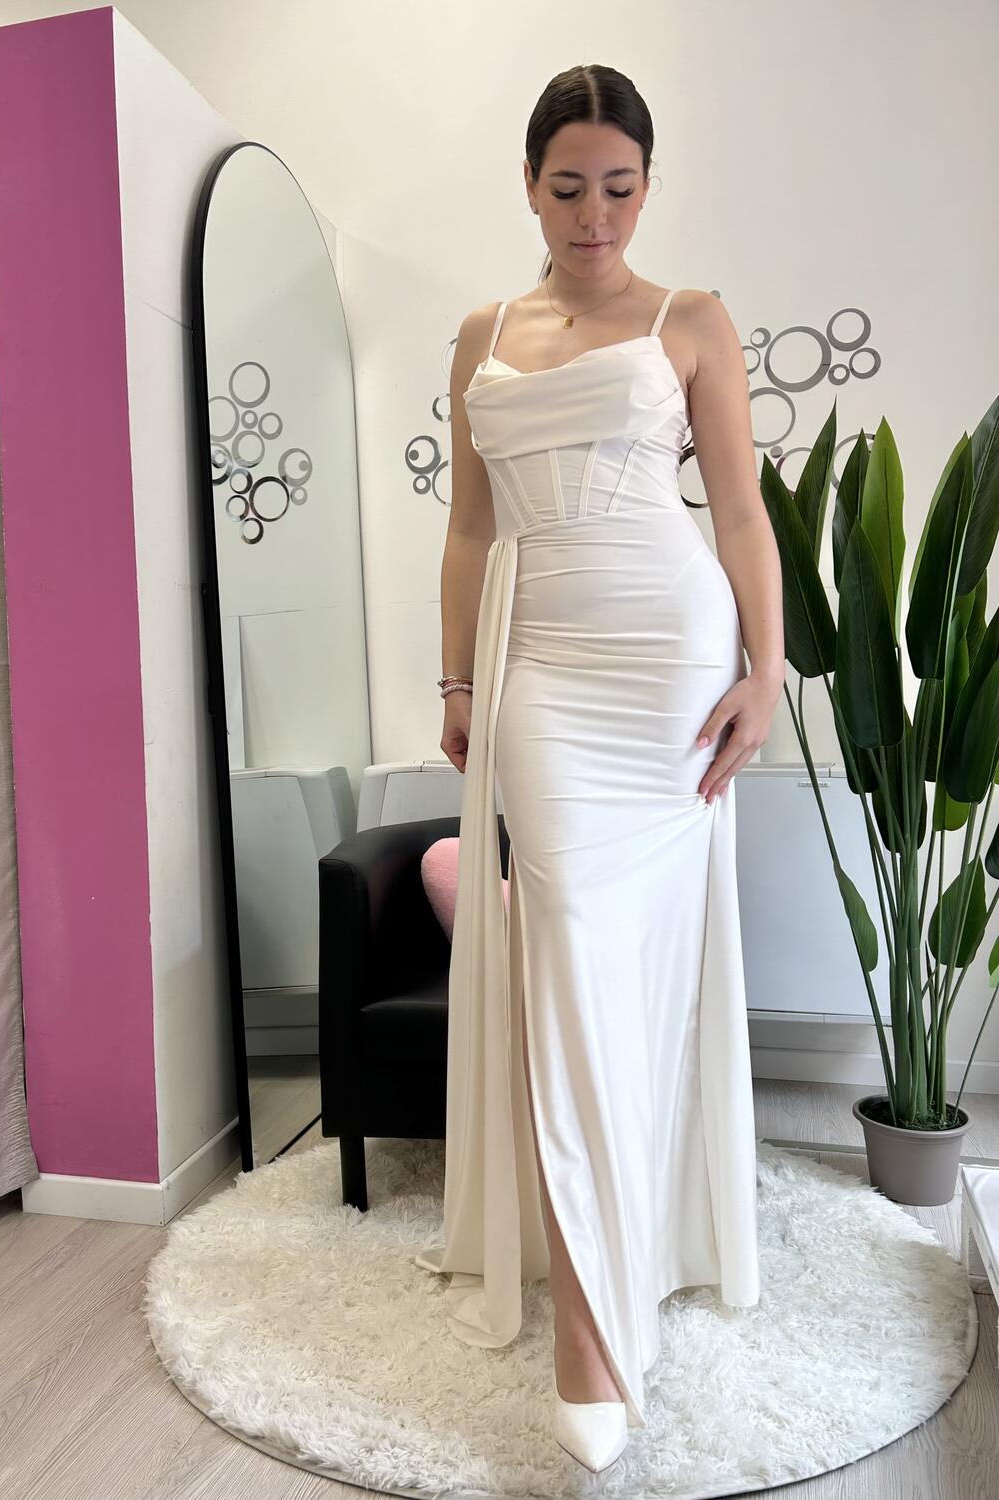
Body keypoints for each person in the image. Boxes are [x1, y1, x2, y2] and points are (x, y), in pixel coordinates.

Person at [415, 63, 785, 1473]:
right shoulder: (482, 335)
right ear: (529, 184)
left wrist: (765, 672)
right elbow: (468, 529)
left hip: (671, 667)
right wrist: (456, 679)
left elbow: (739, 514)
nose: (594, 215)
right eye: (568, 187)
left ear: (645, 186)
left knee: (638, 975)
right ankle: (585, 1325)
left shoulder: (691, 319)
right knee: (566, 944)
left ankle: (636, 1253)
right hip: (545, 673)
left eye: (619, 188)